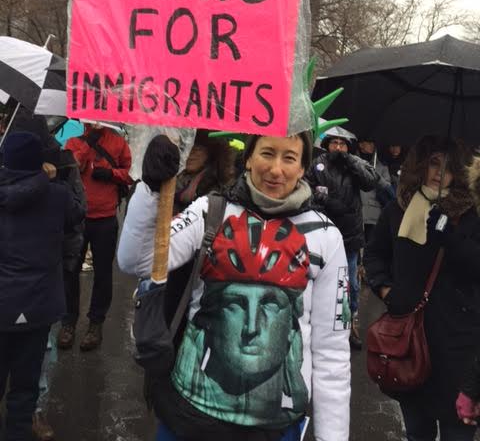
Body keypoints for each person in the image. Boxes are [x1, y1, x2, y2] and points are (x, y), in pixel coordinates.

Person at [118, 131, 351, 441]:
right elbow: (137, 261)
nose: (276, 169)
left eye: (289, 158)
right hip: (189, 418)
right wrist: (150, 191)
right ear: (250, 157)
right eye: (267, 153)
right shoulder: (210, 210)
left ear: (303, 166)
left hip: (275, 429)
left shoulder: (326, 236)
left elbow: (331, 352)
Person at [364, 135, 480, 441]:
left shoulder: (471, 213)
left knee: (457, 432)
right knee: (417, 431)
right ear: (420, 165)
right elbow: (375, 253)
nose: (440, 172)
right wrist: (385, 289)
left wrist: (450, 239)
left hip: (458, 345)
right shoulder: (399, 209)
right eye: (433, 163)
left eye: (448, 165)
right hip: (410, 340)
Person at [0, 131, 84, 441]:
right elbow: (77, 213)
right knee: (24, 390)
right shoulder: (57, 195)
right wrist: (51, 179)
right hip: (37, 308)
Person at [57, 122, 132, 352]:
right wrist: (85, 146)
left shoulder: (118, 142)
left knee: (102, 273)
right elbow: (70, 170)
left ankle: (95, 324)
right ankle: (68, 322)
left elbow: (129, 174)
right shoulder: (73, 141)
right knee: (70, 270)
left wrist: (111, 174)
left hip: (106, 218)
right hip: (77, 218)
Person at [306, 128, 378, 350]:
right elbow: (306, 189)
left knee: (351, 285)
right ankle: (319, 322)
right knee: (318, 280)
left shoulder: (354, 162)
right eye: (334, 142)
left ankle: (350, 323)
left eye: (342, 143)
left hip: (350, 235)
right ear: (327, 144)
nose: (338, 147)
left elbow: (370, 182)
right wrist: (324, 200)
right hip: (323, 232)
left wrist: (351, 162)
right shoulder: (317, 163)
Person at [357, 138, 394, 244]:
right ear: (361, 144)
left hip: (373, 213)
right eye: (369, 142)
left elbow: (387, 187)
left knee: (370, 244)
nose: (372, 145)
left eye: (373, 142)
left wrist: (375, 176)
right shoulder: (352, 162)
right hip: (356, 212)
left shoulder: (381, 166)